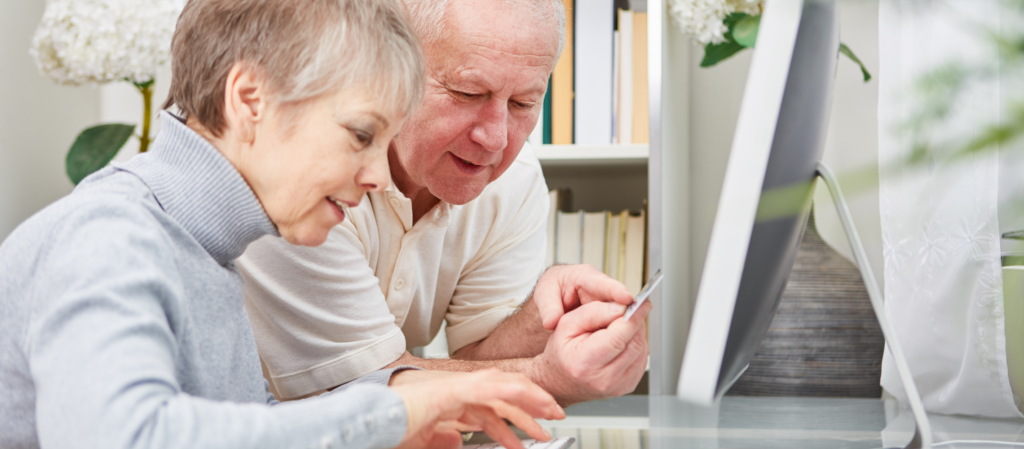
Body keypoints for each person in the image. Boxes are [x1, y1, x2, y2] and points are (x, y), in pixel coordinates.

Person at [0, 0, 565, 448]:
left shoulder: (205, 248)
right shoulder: (110, 236)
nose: (376, 176)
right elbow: (125, 437)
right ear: (250, 99)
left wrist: (415, 396)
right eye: (362, 136)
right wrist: (389, 410)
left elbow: (248, 423)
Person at [238, 0, 653, 406]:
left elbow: (480, 359)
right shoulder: (308, 173)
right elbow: (358, 388)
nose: (495, 139)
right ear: (391, 67)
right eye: (468, 92)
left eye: (524, 103)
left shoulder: (515, 179)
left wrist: (545, 317)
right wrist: (547, 377)